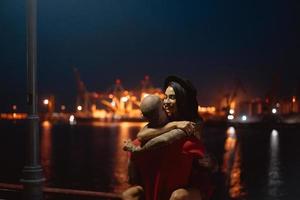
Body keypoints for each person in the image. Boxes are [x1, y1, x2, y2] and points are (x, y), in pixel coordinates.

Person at [123, 76, 214, 200]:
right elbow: (146, 134)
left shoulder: (189, 133)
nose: (165, 102)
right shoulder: (182, 138)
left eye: (171, 97)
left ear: (183, 101)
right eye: (165, 97)